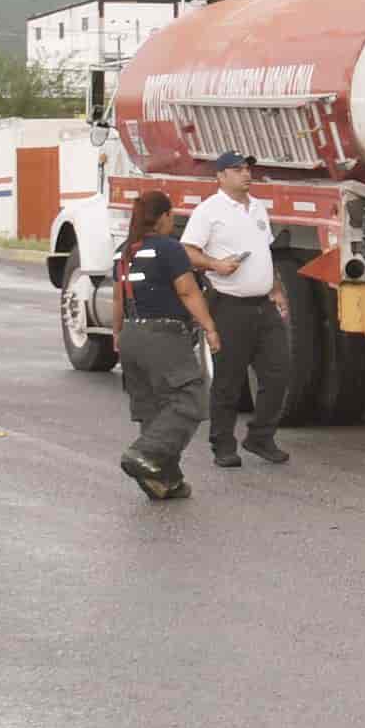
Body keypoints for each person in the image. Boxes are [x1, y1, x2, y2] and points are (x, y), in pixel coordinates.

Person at [181, 151, 293, 470]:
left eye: (247, 168)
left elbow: (263, 252)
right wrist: (215, 264)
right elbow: (188, 251)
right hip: (229, 305)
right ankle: (223, 444)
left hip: (264, 306)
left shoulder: (257, 207)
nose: (246, 174)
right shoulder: (209, 211)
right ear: (220, 176)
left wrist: (275, 289)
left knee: (279, 372)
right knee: (229, 380)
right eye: (237, 169)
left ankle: (261, 436)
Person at [115, 189, 222, 501]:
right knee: (190, 399)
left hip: (132, 335)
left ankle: (166, 480)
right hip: (163, 335)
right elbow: (188, 292)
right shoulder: (169, 249)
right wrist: (210, 327)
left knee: (154, 408)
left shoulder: (126, 252)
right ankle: (144, 453)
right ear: (161, 218)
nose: (172, 221)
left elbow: (120, 298)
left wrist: (118, 335)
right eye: (171, 216)